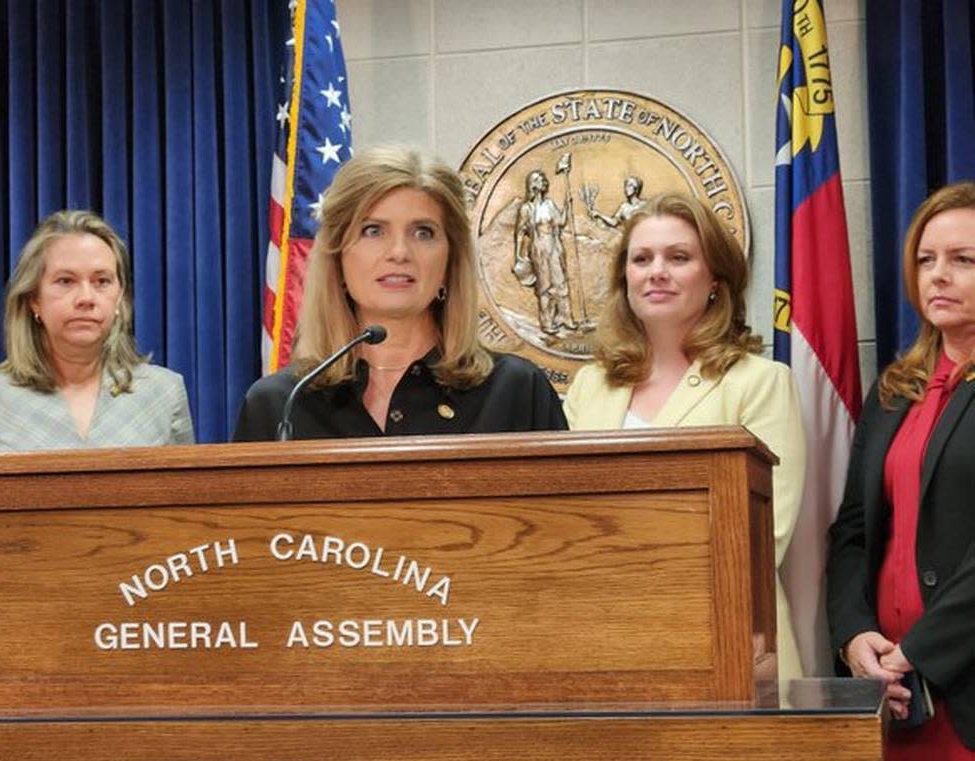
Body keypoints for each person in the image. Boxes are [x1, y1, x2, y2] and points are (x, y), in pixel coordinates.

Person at [563, 191, 805, 681]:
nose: (657, 271)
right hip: (605, 644)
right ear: (624, 279)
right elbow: (564, 516)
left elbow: (763, 534)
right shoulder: (590, 386)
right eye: (642, 259)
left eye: (679, 258)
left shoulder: (760, 382)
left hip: (731, 643)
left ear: (715, 280)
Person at [826, 181, 975, 761]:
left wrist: (918, 653)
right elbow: (853, 529)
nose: (938, 274)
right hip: (897, 694)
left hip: (957, 682)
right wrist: (857, 636)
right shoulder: (896, 388)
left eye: (964, 259)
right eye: (926, 258)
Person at [234, 145, 566, 441]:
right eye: (373, 230)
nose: (399, 252)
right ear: (337, 256)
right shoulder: (280, 404)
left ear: (451, 259)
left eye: (423, 232)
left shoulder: (517, 391)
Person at [0, 210, 194, 451]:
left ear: (120, 298)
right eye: (66, 281)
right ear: (34, 299)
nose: (86, 298)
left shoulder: (164, 392)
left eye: (102, 281)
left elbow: (189, 491)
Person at [513, 169, 577, 335]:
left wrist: (567, 205)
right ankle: (547, 322)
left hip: (554, 246)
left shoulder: (549, 204)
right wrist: (517, 255)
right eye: (541, 180)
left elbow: (561, 222)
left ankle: (565, 318)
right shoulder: (526, 209)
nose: (545, 183)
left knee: (561, 282)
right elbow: (520, 232)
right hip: (538, 248)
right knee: (544, 286)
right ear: (533, 185)